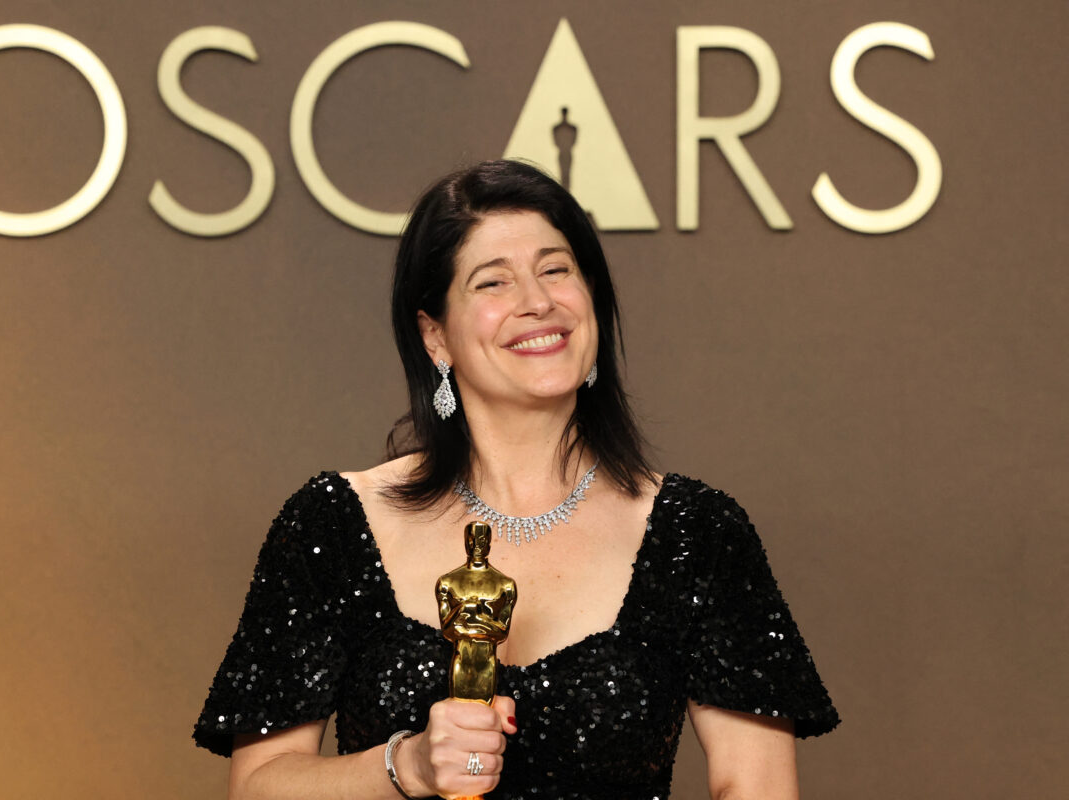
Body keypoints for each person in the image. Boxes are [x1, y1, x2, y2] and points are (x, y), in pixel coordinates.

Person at [192, 160, 839, 799]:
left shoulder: (696, 531)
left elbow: (755, 786)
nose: (536, 302)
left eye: (556, 270)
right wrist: (407, 765)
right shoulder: (333, 522)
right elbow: (261, 786)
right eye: (492, 283)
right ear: (435, 335)